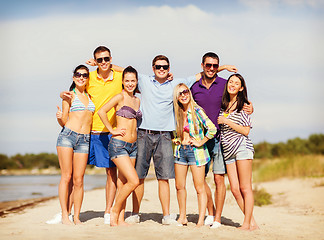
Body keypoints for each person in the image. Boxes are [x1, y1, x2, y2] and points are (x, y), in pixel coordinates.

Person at [61, 46, 123, 224]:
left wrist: (110, 66)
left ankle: (108, 212)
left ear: (111, 58)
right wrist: (61, 94)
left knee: (111, 173)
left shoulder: (118, 77)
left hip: (108, 132)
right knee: (74, 176)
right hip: (86, 133)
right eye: (100, 60)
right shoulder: (89, 77)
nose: (103, 63)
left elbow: (128, 72)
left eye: (106, 59)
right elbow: (74, 90)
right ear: (95, 61)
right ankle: (66, 212)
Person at [190, 52, 252, 228]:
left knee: (219, 180)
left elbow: (239, 96)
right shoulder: (194, 86)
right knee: (200, 180)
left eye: (215, 66)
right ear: (202, 65)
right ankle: (210, 211)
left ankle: (217, 218)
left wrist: (250, 106)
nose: (211, 68)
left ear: (218, 67)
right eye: (208, 65)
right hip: (199, 139)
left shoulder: (225, 84)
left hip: (219, 139)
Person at [97, 66, 141, 226]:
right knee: (134, 181)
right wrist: (112, 130)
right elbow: (102, 111)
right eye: (127, 80)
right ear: (122, 82)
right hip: (119, 145)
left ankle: (120, 219)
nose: (130, 84)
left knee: (124, 183)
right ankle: (114, 210)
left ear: (137, 82)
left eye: (133, 81)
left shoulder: (137, 100)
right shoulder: (119, 97)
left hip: (133, 146)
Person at [217, 73, 258, 230]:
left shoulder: (245, 106)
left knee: (245, 187)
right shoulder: (224, 105)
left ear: (241, 88)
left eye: (236, 83)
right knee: (234, 189)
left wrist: (227, 121)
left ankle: (246, 223)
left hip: (242, 148)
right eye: (231, 82)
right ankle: (252, 222)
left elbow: (246, 131)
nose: (232, 84)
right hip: (227, 151)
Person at [172, 83, 216, 227]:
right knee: (179, 186)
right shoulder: (177, 112)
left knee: (199, 187)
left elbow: (212, 129)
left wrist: (200, 141)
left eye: (185, 92)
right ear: (176, 97)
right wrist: (177, 139)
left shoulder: (197, 110)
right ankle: (183, 217)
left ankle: (200, 221)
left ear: (189, 93)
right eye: (180, 93)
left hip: (196, 153)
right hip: (180, 152)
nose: (183, 95)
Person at [56, 65, 95, 225]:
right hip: (68, 137)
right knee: (67, 176)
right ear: (73, 77)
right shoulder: (68, 96)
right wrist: (59, 117)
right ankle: (65, 215)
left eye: (84, 75)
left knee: (79, 180)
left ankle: (76, 217)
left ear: (87, 78)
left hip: (85, 139)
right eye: (78, 75)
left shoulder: (90, 96)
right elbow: (64, 121)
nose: (81, 77)